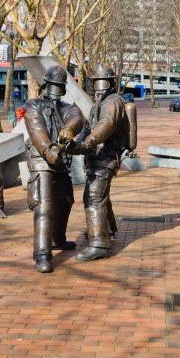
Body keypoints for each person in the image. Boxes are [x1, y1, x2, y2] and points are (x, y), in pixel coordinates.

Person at [22, 64, 86, 273]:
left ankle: (58, 239)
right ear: (46, 85)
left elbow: (77, 117)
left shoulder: (67, 107)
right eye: (54, 86)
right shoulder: (33, 105)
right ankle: (42, 254)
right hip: (42, 160)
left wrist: (68, 130)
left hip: (61, 162)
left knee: (65, 201)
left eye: (60, 87)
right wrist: (49, 151)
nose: (57, 91)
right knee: (44, 206)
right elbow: (37, 129)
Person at [68, 63, 128, 262]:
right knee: (101, 194)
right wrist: (75, 144)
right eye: (96, 82)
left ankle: (99, 244)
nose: (99, 86)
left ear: (110, 83)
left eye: (102, 82)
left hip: (107, 157)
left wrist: (87, 143)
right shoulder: (98, 104)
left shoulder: (113, 103)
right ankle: (107, 228)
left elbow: (105, 126)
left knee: (93, 196)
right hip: (96, 158)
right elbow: (88, 128)